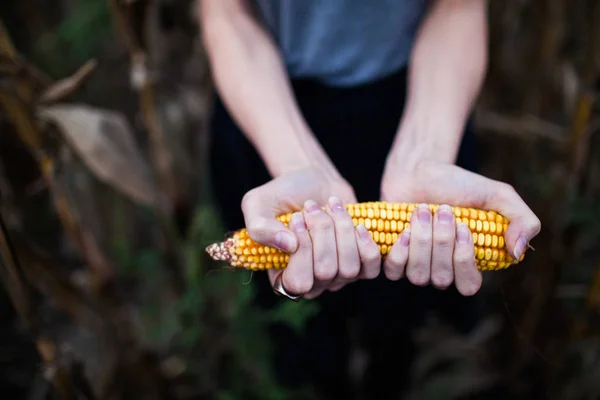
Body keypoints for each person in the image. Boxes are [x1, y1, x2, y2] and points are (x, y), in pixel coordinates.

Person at [197, 0, 541, 398]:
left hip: (418, 92)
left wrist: (424, 154)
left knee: (400, 310)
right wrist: (296, 163)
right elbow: (226, 12)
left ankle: (390, 374)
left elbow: (458, 7)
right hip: (266, 101)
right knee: (306, 321)